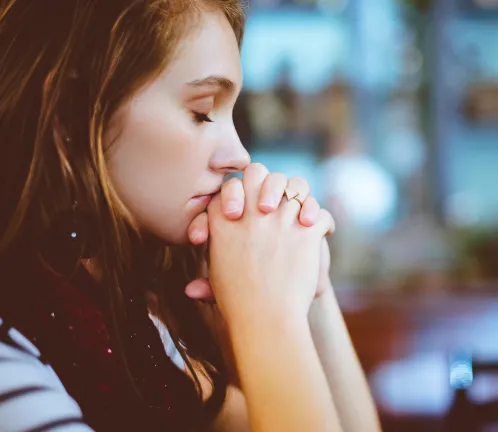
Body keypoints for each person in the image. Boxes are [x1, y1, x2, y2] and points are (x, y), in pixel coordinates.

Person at [0, 0, 380, 431]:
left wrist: (309, 287)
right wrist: (267, 317)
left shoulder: (130, 327)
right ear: (72, 112)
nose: (239, 156)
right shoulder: (12, 358)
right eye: (201, 112)